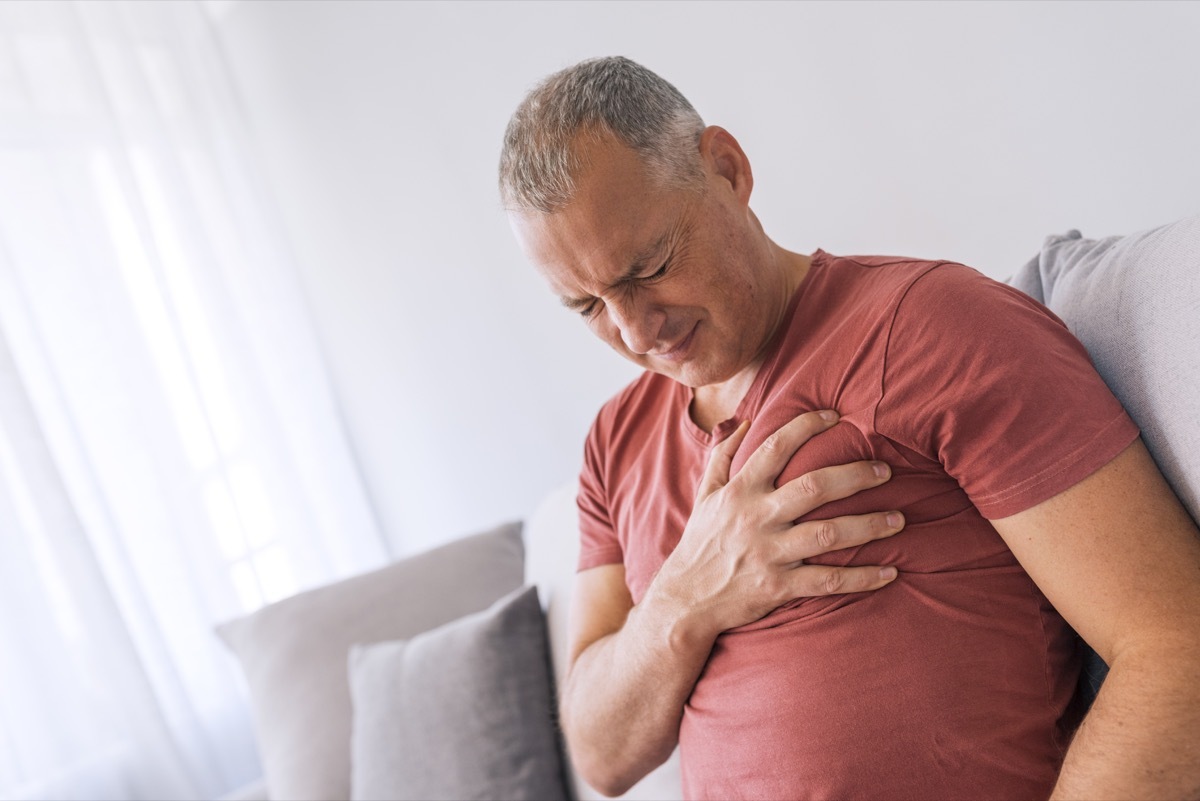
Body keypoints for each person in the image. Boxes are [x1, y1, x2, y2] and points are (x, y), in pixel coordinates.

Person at [499, 56, 1200, 800]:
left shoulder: (938, 327)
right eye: (588, 306)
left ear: (727, 170)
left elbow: (1176, 647)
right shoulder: (616, 443)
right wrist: (683, 598)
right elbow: (601, 756)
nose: (635, 331)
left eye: (651, 266)